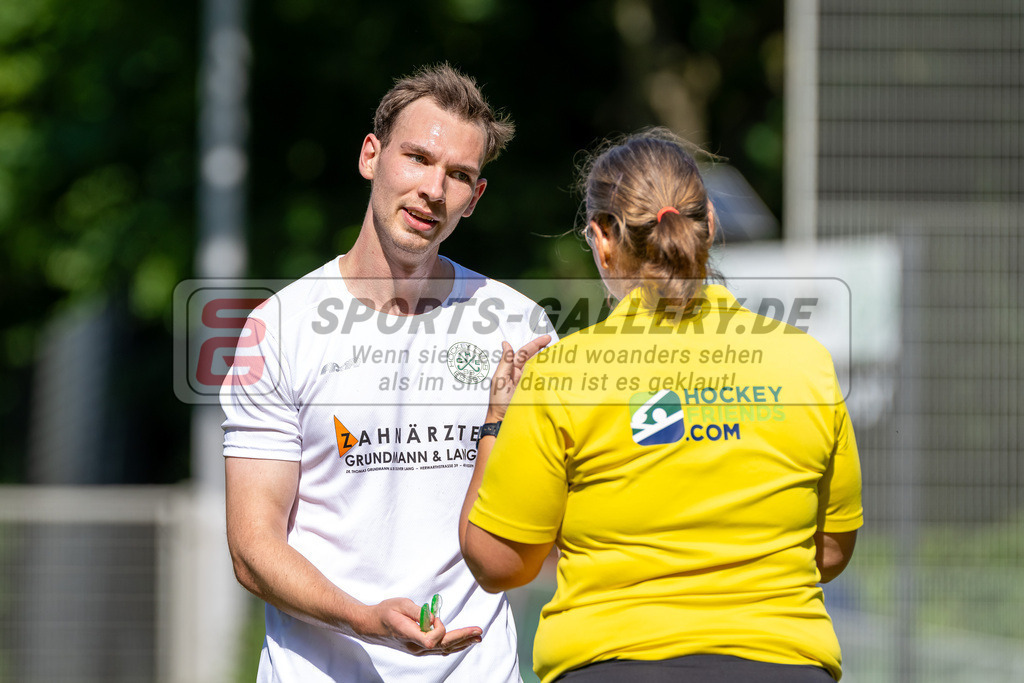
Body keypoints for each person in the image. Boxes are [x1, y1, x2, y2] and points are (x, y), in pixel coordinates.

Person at [460, 128, 863, 683]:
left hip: (614, 665)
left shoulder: (564, 374)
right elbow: (832, 550)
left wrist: (495, 422)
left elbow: (499, 562)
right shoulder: (806, 363)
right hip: (785, 663)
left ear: (601, 238)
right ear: (711, 225)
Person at [221, 64, 552, 682]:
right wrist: (364, 618)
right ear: (371, 156)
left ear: (475, 198)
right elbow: (252, 546)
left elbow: (548, 525)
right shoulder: (279, 328)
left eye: (458, 175)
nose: (433, 189)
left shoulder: (517, 325)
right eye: (418, 158)